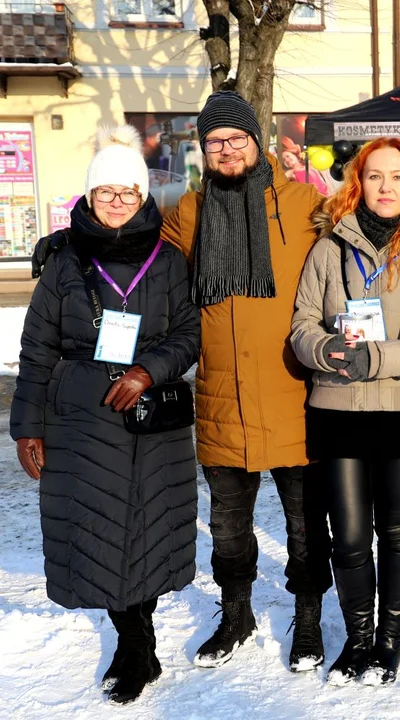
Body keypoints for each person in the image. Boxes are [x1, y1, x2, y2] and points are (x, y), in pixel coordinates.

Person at [12, 124, 200, 704]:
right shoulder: (64, 262)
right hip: (81, 420)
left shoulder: (168, 261)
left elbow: (191, 334)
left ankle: (136, 645)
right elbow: (37, 349)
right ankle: (135, 644)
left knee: (145, 530)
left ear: (143, 197)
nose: (116, 202)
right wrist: (27, 427)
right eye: (105, 193)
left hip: (149, 418)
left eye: (127, 192)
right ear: (90, 198)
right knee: (99, 530)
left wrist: (150, 369)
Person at [159, 91, 333, 672]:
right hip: (219, 397)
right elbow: (142, 259)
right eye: (215, 141)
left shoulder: (303, 201)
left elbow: (358, 238)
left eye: (236, 138)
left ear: (257, 142)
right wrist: (74, 246)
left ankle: (306, 617)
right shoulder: (188, 213)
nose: (227, 149)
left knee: (306, 527)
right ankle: (236, 614)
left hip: (294, 393)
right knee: (228, 531)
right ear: (203, 150)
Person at [291, 137, 400, 687]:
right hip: (337, 409)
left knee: (395, 531)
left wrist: (377, 357)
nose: (385, 187)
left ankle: (389, 643)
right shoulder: (329, 248)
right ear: (359, 183)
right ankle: (357, 642)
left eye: (397, 177)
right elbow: (302, 325)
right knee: (350, 537)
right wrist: (322, 349)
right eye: (375, 177)